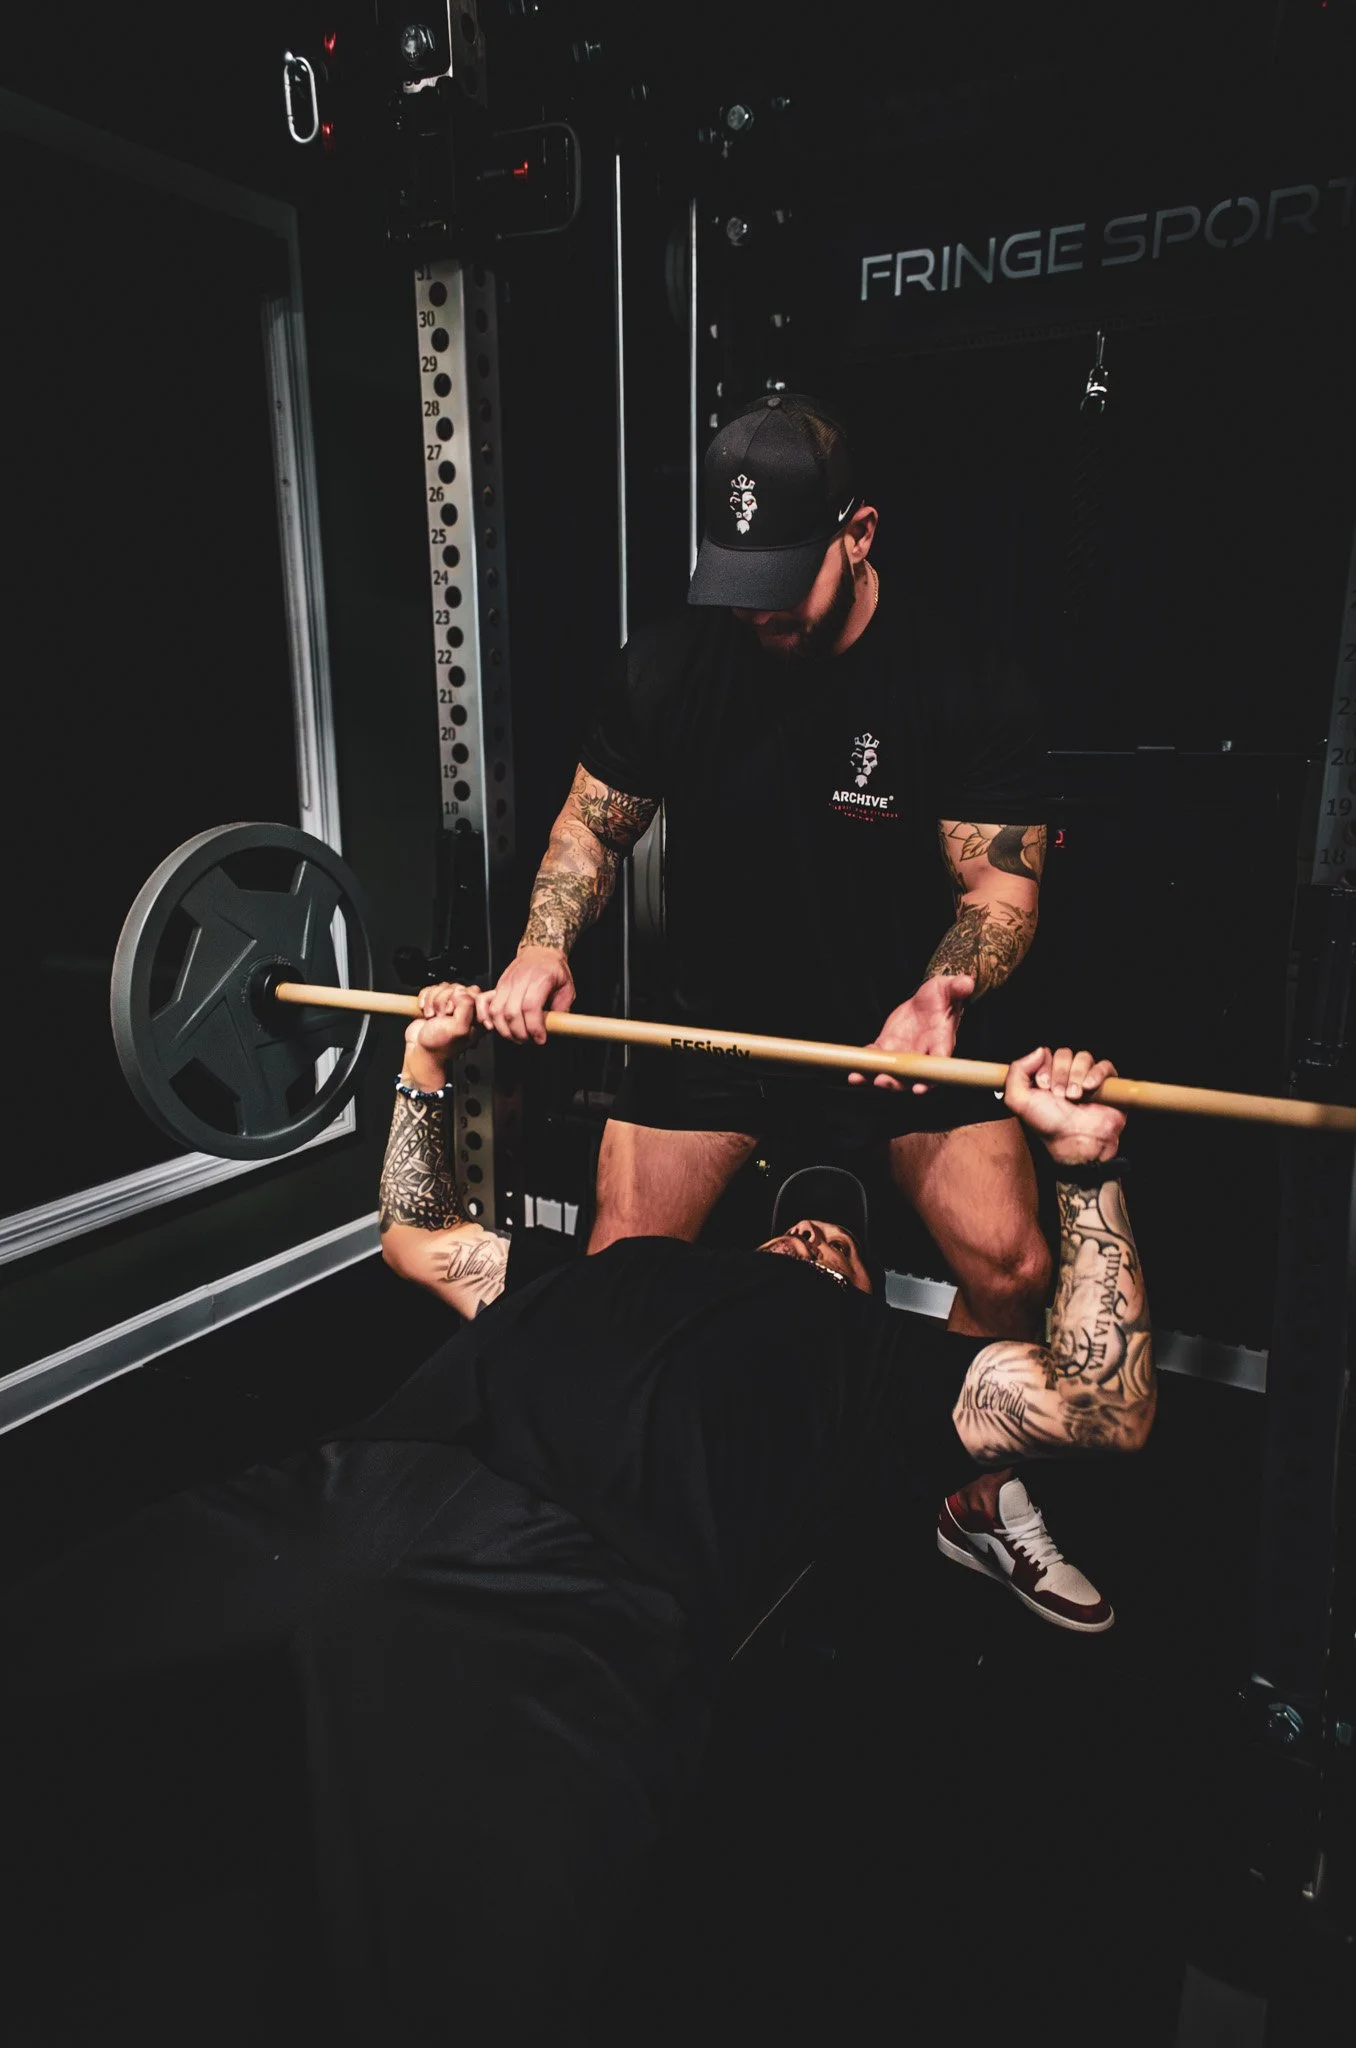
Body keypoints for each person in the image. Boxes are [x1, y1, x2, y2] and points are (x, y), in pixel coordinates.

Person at [4, 985, 1150, 2042]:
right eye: (802, 1227)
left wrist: (1085, 1166)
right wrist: (423, 1061)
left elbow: (1103, 1403)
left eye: (842, 1248)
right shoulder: (600, 1265)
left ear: (866, 1293)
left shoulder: (872, 1362)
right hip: (364, 1482)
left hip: (578, 1600)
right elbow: (414, 1234)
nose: (814, 1234)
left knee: (456, 1994)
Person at [478, 392, 1103, 1625]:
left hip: (898, 1033)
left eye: (783, 580)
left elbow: (1002, 885)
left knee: (1014, 1264)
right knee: (615, 1284)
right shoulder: (672, 663)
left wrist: (944, 988)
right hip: (721, 1027)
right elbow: (589, 828)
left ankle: (970, 1498)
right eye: (737, 578)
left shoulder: (960, 680)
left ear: (858, 534)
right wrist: (543, 945)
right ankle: (605, 1511)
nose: (757, 610)